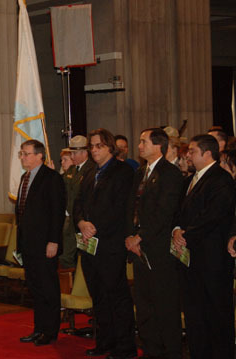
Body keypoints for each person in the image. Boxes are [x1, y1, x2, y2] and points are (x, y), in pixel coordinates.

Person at [73, 128, 137, 359]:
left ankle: (124, 347)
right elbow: (78, 202)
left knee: (116, 298)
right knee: (98, 298)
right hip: (90, 245)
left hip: (109, 245)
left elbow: (119, 209)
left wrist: (93, 226)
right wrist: (81, 222)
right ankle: (105, 341)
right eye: (92, 146)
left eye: (98, 146)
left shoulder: (122, 172)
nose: (94, 150)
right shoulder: (90, 172)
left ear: (110, 147)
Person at [172, 134, 236, 359]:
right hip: (191, 258)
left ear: (207, 153)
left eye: (192, 151)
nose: (188, 155)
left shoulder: (221, 179)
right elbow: (179, 211)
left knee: (216, 313)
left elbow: (214, 215)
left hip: (213, 259)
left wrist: (186, 234)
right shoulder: (191, 179)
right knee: (194, 313)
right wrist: (177, 229)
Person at [125, 128, 183, 359]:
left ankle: (170, 352)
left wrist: (141, 236)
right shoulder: (140, 172)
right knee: (145, 305)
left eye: (143, 141)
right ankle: (151, 350)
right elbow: (130, 209)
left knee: (164, 305)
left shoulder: (170, 173)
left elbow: (165, 212)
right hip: (138, 249)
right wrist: (130, 237)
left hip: (158, 250)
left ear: (159, 145)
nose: (139, 146)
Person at [14, 140, 65, 347]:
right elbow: (22, 213)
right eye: (22, 154)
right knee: (35, 288)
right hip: (28, 244)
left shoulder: (51, 178)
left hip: (45, 244)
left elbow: (57, 213)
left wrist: (53, 240)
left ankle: (50, 331)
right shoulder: (25, 178)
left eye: (26, 154)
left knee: (48, 288)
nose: (23, 157)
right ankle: (39, 328)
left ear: (39, 156)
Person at [59, 135, 95, 270]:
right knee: (66, 256)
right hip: (70, 219)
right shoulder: (72, 170)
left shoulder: (92, 169)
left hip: (83, 221)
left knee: (84, 258)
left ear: (85, 152)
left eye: (74, 152)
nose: (72, 155)